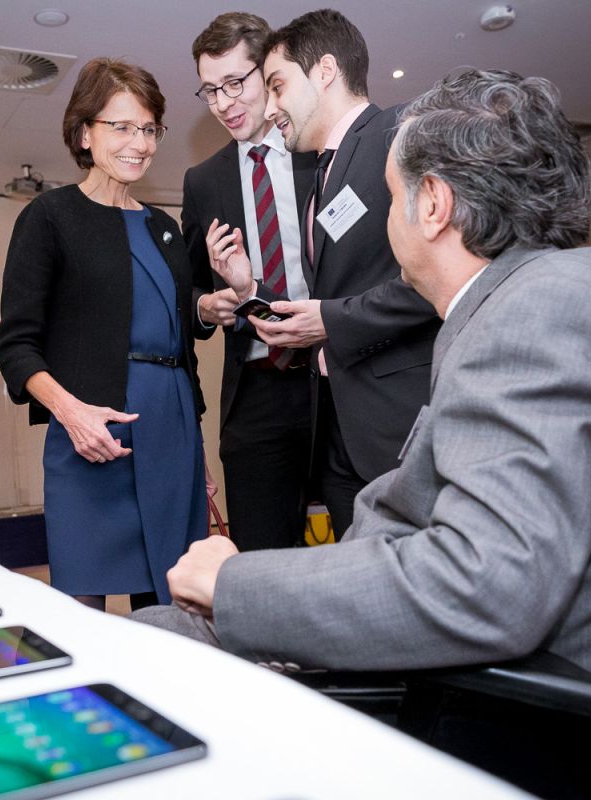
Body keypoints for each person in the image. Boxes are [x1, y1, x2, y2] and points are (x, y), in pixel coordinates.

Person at [135, 68, 591, 695]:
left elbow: (487, 587)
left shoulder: (544, 312)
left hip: (501, 703)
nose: (389, 219)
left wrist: (235, 586)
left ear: (434, 206)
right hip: (478, 661)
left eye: (392, 198)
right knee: (156, 633)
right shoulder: (542, 297)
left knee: (150, 646)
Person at [204, 9, 440, 535]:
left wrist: (330, 321)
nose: (270, 107)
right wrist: (249, 287)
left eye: (277, 86)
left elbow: (438, 279)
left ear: (326, 71)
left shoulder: (398, 136)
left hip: (396, 424)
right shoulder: (322, 176)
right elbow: (332, 294)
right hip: (339, 428)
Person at [0, 58, 206, 612]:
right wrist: (71, 413)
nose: (140, 143)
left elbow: (182, 345)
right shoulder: (50, 216)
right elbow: (15, 345)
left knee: (170, 610)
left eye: (149, 128)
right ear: (85, 132)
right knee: (81, 610)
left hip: (171, 433)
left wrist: (197, 453)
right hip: (91, 438)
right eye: (122, 126)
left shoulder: (163, 228)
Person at [183, 13, 316, 552]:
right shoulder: (203, 181)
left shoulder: (317, 153)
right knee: (260, 560)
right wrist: (206, 306)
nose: (223, 103)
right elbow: (188, 289)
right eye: (211, 90)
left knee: (365, 540)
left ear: (269, 73)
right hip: (256, 389)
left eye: (235, 83)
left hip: (334, 376)